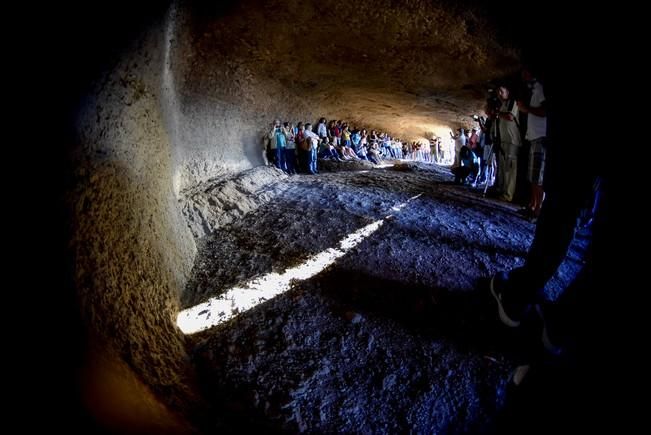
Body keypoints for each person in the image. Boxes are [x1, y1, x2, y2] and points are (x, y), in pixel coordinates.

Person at [518, 66, 547, 220]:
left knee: (538, 177)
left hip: (541, 137)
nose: (523, 75)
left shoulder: (541, 88)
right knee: (533, 176)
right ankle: (533, 205)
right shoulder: (535, 90)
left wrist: (527, 109)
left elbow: (545, 111)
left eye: (525, 72)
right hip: (534, 137)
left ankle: (538, 210)